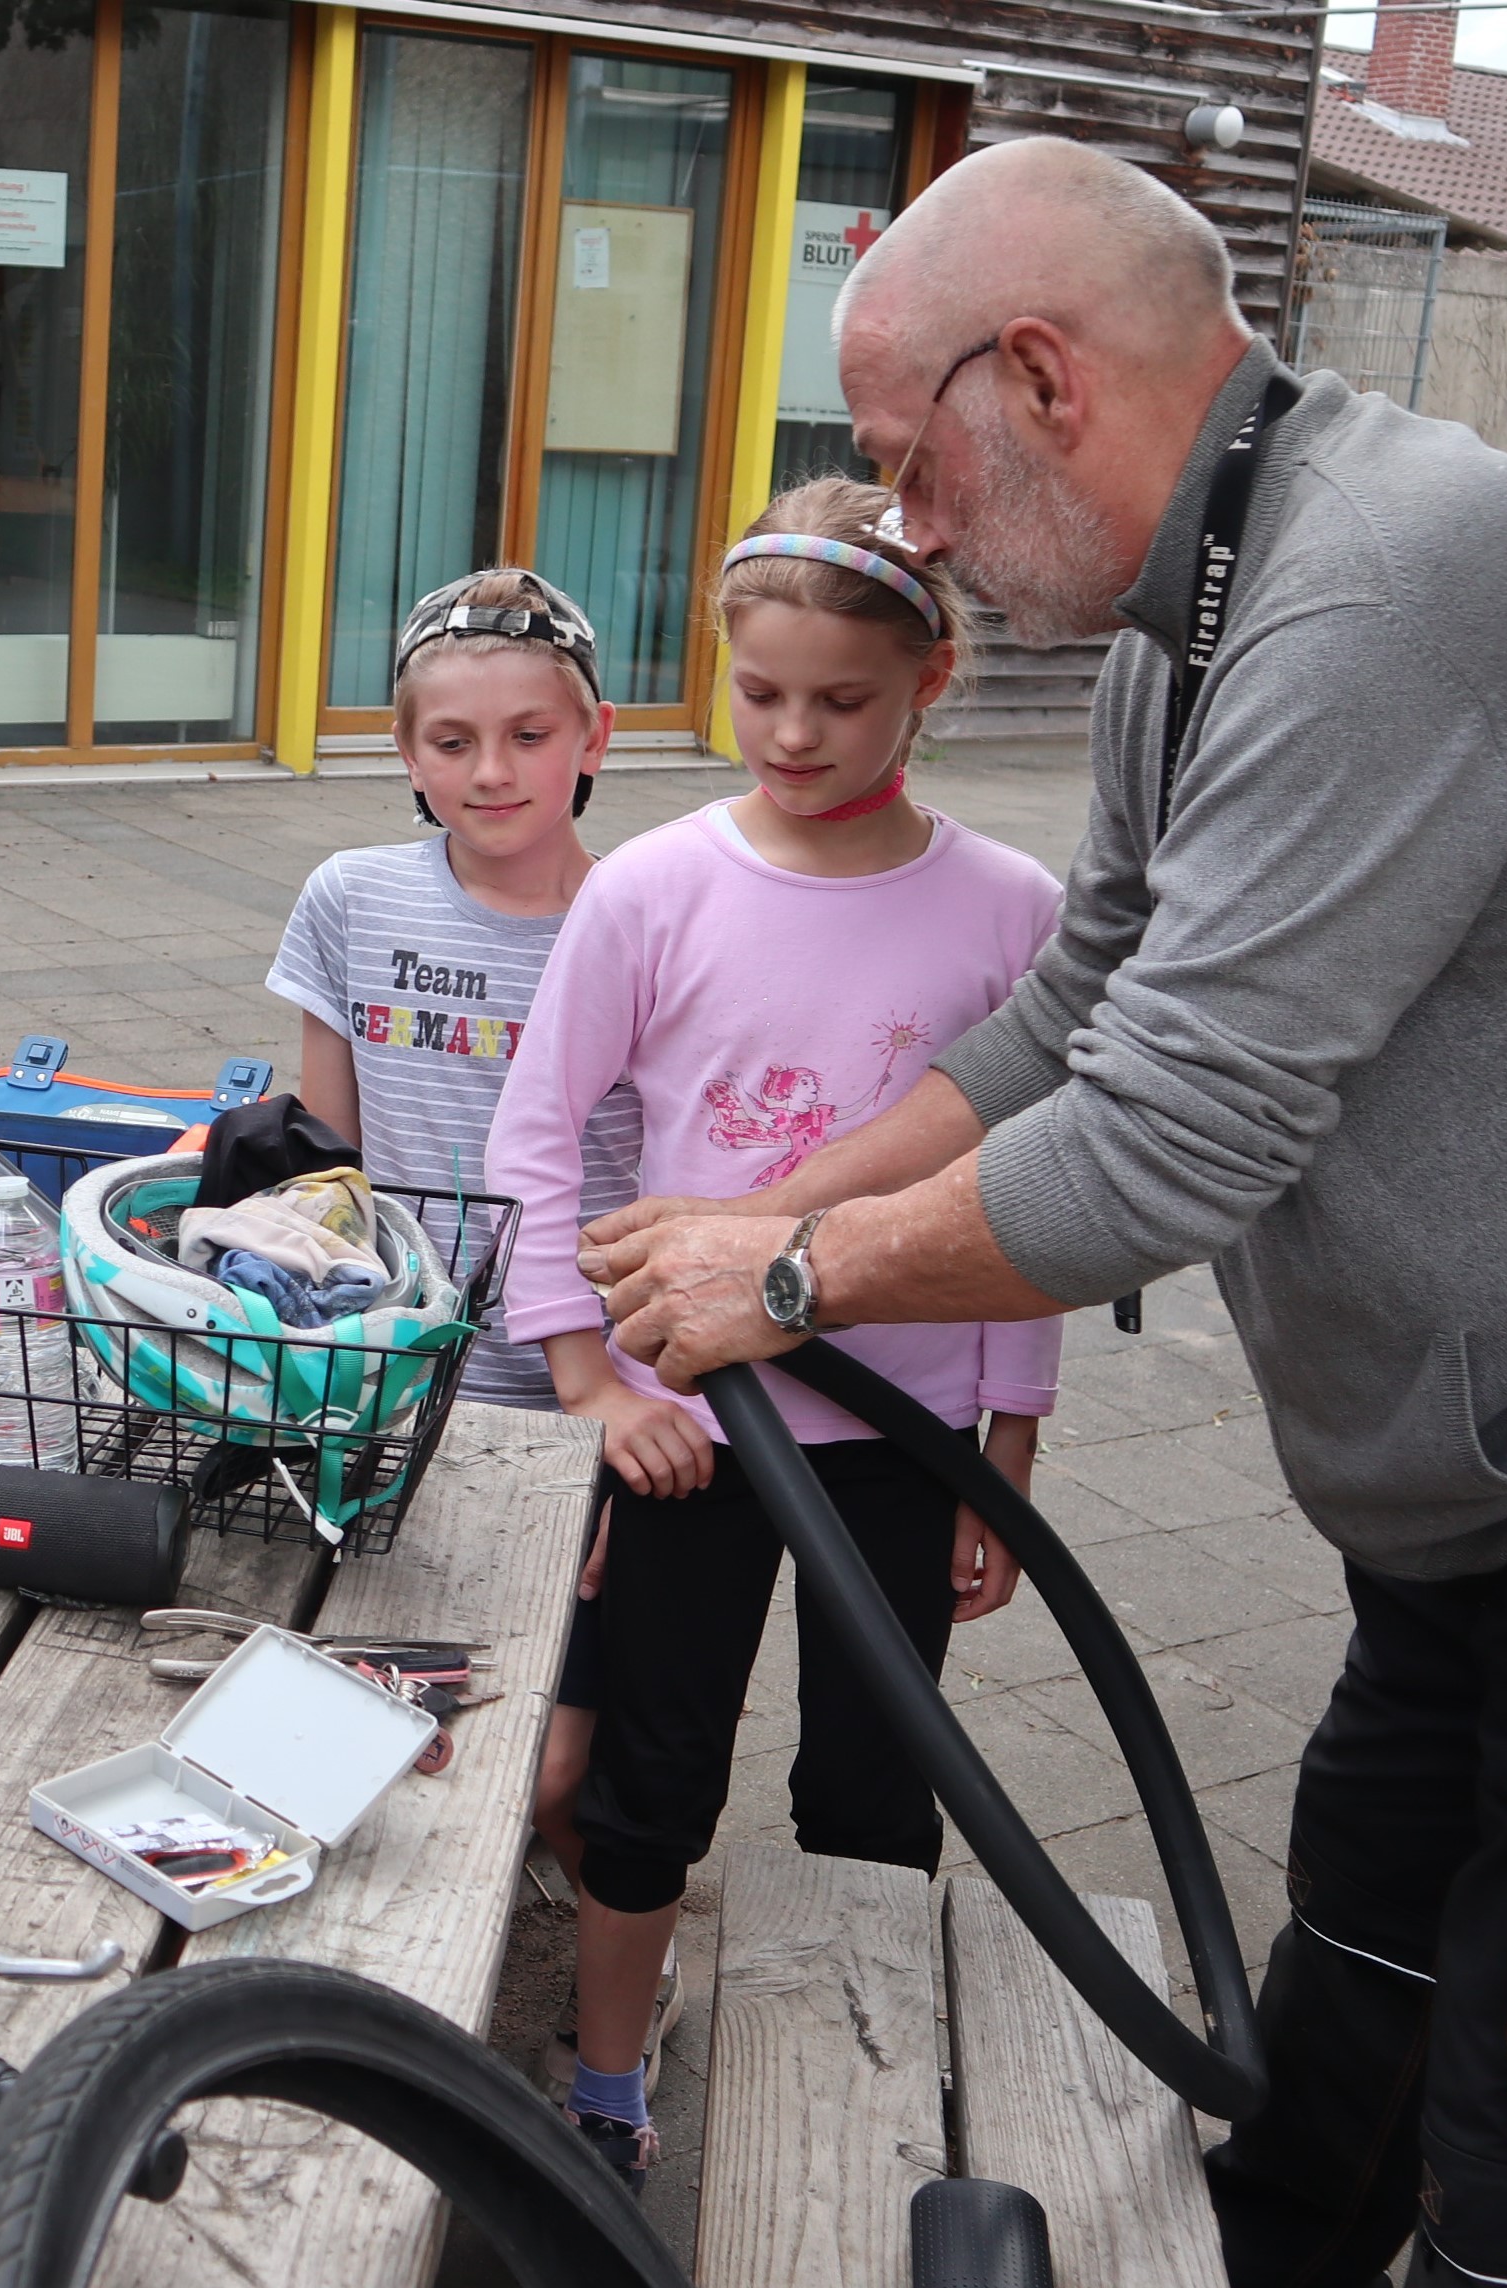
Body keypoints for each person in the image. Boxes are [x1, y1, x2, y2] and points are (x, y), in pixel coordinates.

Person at [582, 134, 1507, 2288]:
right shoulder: (1200, 615)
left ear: (1039, 377)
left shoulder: (1382, 594)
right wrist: (787, 1202)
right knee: (1348, 2015)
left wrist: (783, 1287)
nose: (907, 530)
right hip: (1479, 1499)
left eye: (906, 461)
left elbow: (1164, 1146)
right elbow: (1078, 1010)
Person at [487, 474, 1064, 2191]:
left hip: (902, 1439)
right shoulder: (652, 888)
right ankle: (605, 2075)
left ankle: (848, 2083)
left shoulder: (1008, 908)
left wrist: (1004, 1450)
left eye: (843, 698)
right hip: (690, 1432)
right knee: (650, 1772)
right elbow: (537, 1131)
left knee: (875, 1787)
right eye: (760, 693)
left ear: (928, 683)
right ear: (715, 669)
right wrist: (591, 1378)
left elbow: (1025, 1187)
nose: (794, 732)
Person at [266, 568, 660, 2061]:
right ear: (403, 745)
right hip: (400, 1388)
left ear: (592, 737)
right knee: (400, 1717)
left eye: (524, 734)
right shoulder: (351, 901)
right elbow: (325, 1158)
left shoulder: (648, 912)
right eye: (448, 740)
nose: (487, 773)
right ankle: (420, 1979)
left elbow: (671, 1171)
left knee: (557, 1762)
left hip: (582, 1397)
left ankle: (607, 1944)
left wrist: (635, 1410)